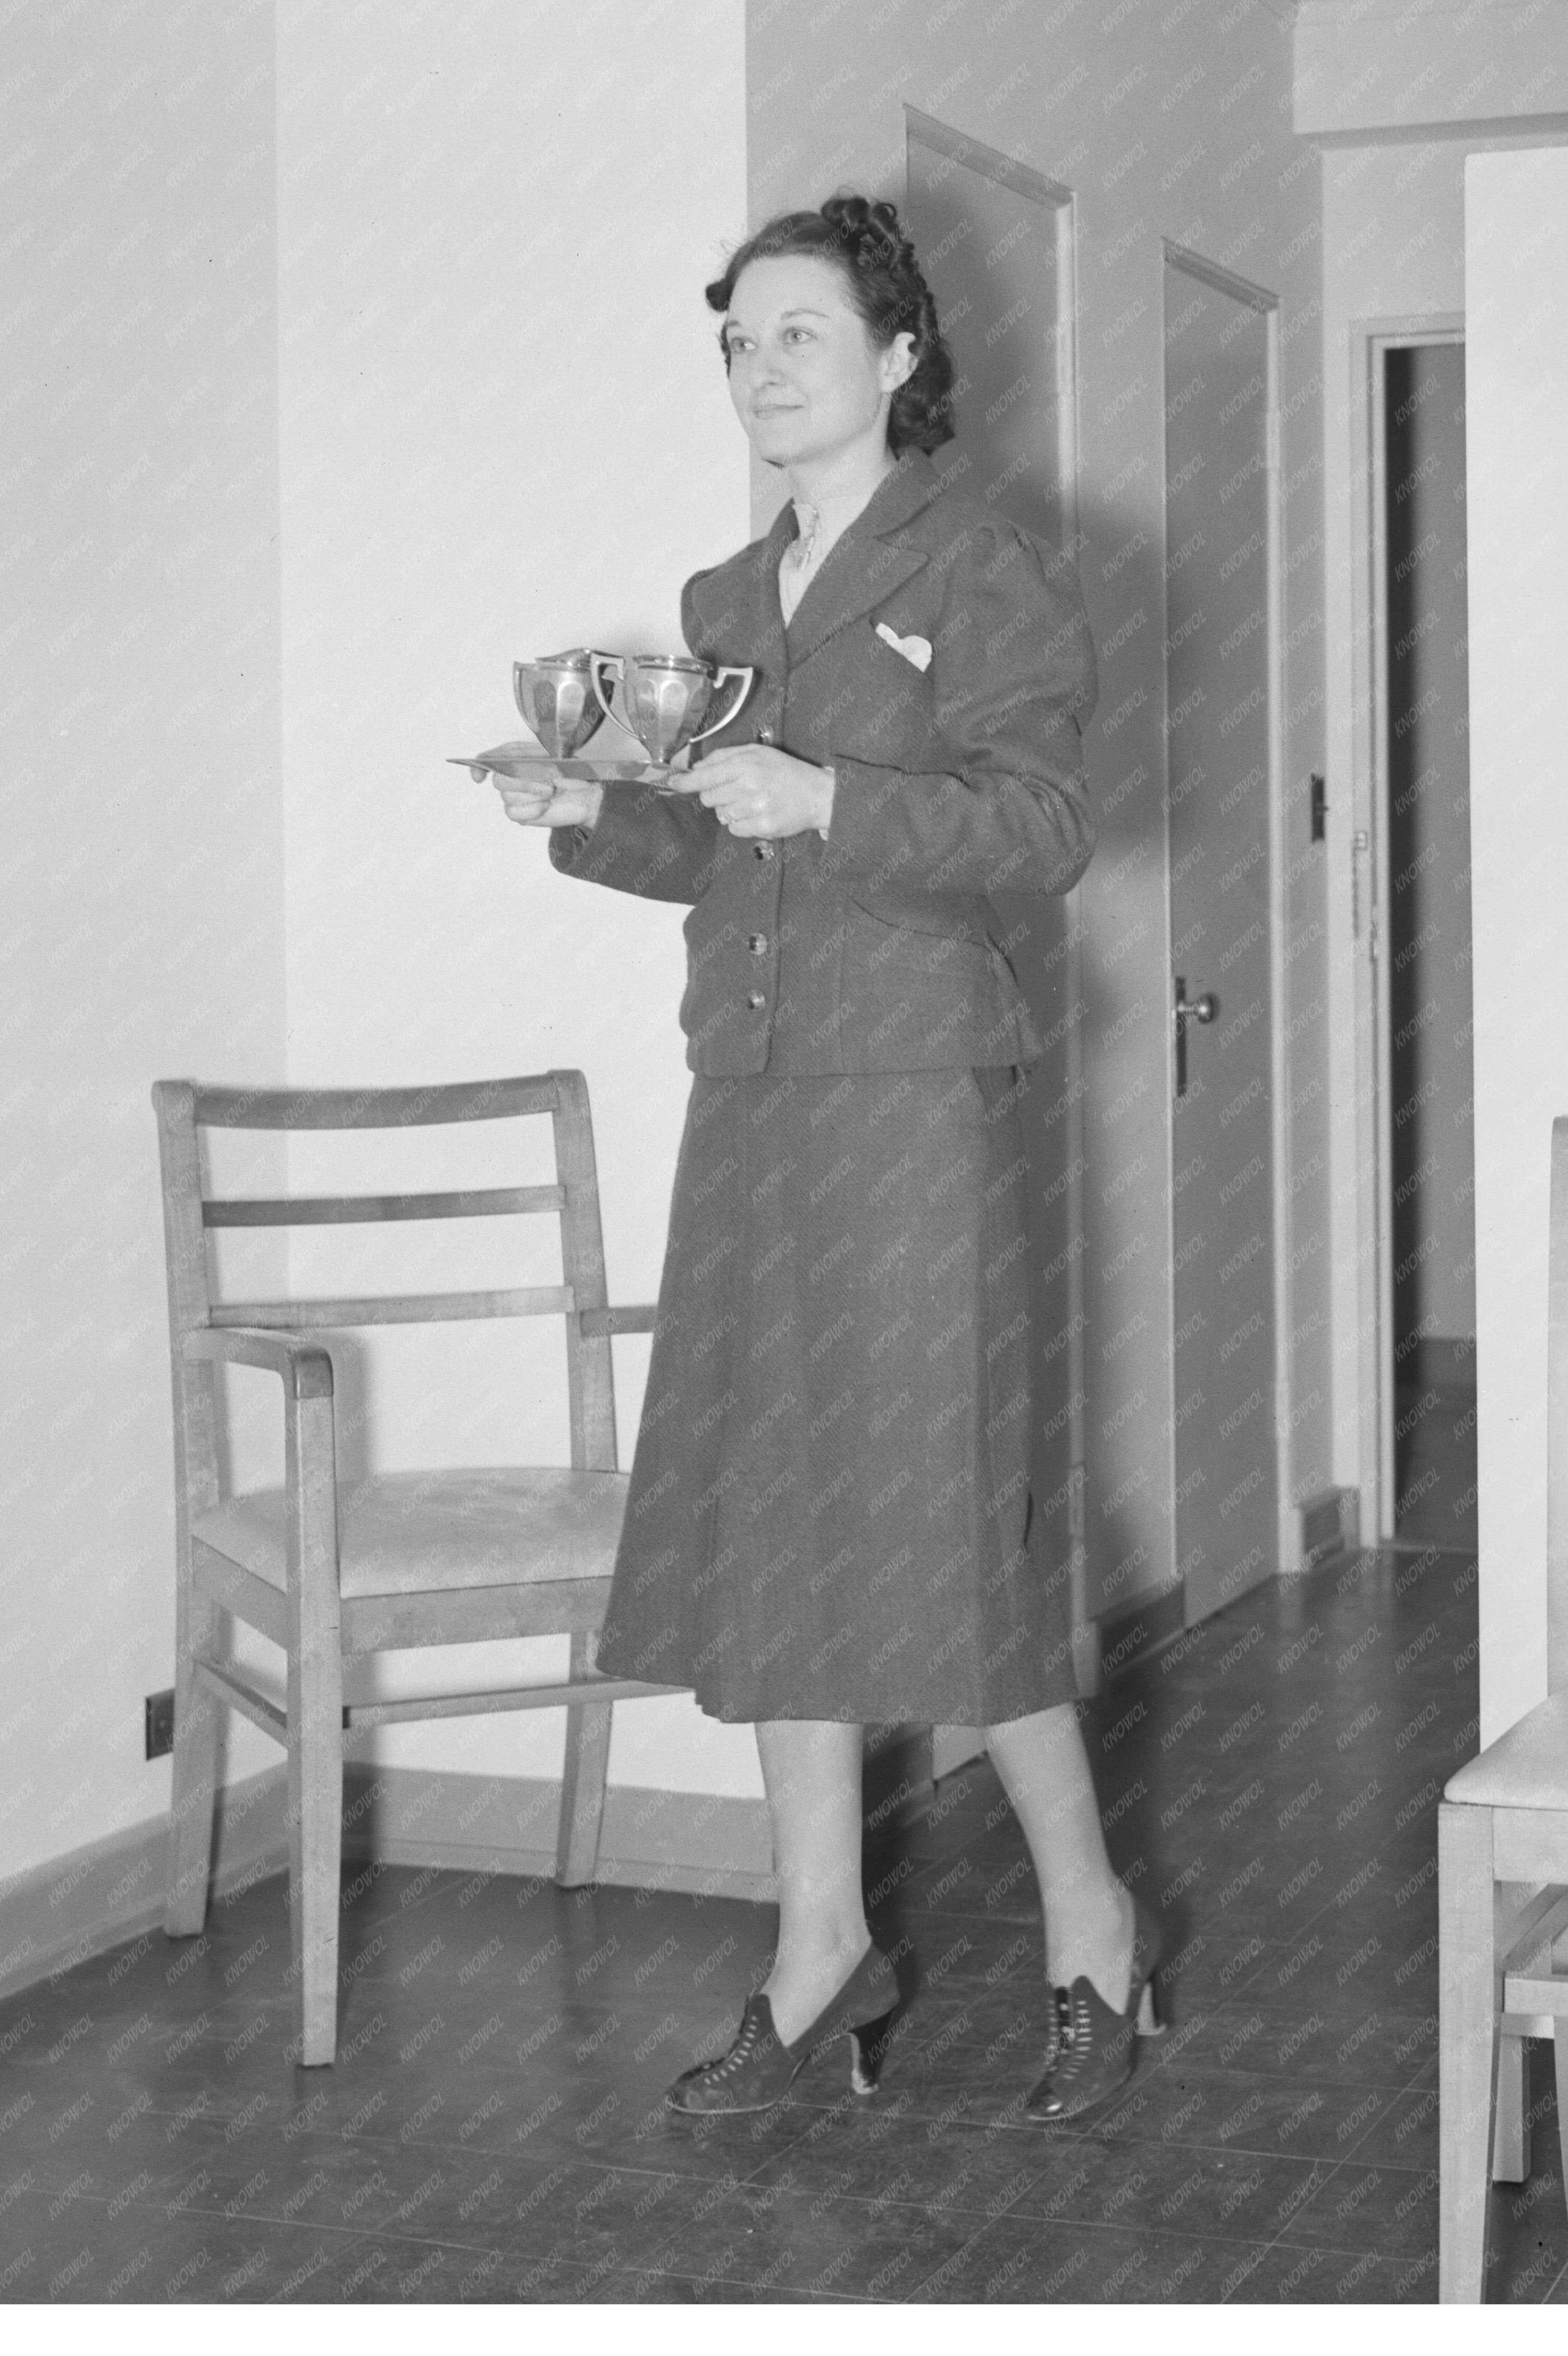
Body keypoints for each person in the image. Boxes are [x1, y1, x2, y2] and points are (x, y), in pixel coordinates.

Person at [492, 193, 1161, 2124]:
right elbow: (718, 849)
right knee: (782, 1510)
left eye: (804, 334)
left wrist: (835, 792)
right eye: (741, 340)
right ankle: (820, 1947)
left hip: (919, 1109)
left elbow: (1037, 825)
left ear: (893, 358)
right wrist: (587, 808)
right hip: (760, 1101)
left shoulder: (990, 561)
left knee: (954, 1519)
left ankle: (1095, 1924)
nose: (766, 368)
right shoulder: (720, 608)